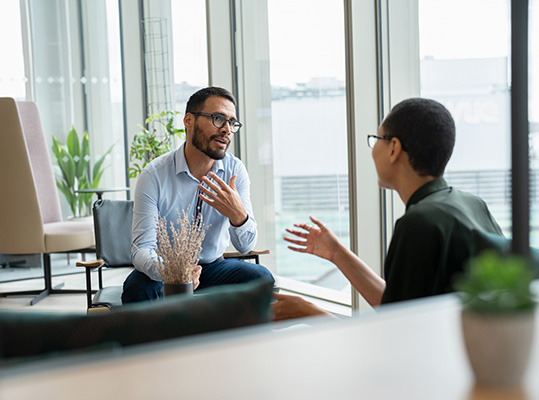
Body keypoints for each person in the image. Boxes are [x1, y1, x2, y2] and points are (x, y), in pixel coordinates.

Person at [273, 98, 503, 320]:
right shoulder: (471, 204)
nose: (373, 150)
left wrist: (307, 312)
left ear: (394, 148)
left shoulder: (419, 222)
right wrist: (336, 253)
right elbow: (400, 307)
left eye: (377, 138)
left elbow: (398, 335)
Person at [122, 86, 274, 303]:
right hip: (165, 269)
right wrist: (175, 273)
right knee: (137, 288)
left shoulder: (235, 171)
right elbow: (141, 248)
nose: (227, 129)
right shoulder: (153, 175)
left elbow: (245, 246)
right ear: (189, 121)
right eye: (218, 118)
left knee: (261, 278)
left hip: (214, 267)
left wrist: (238, 216)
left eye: (232, 122)